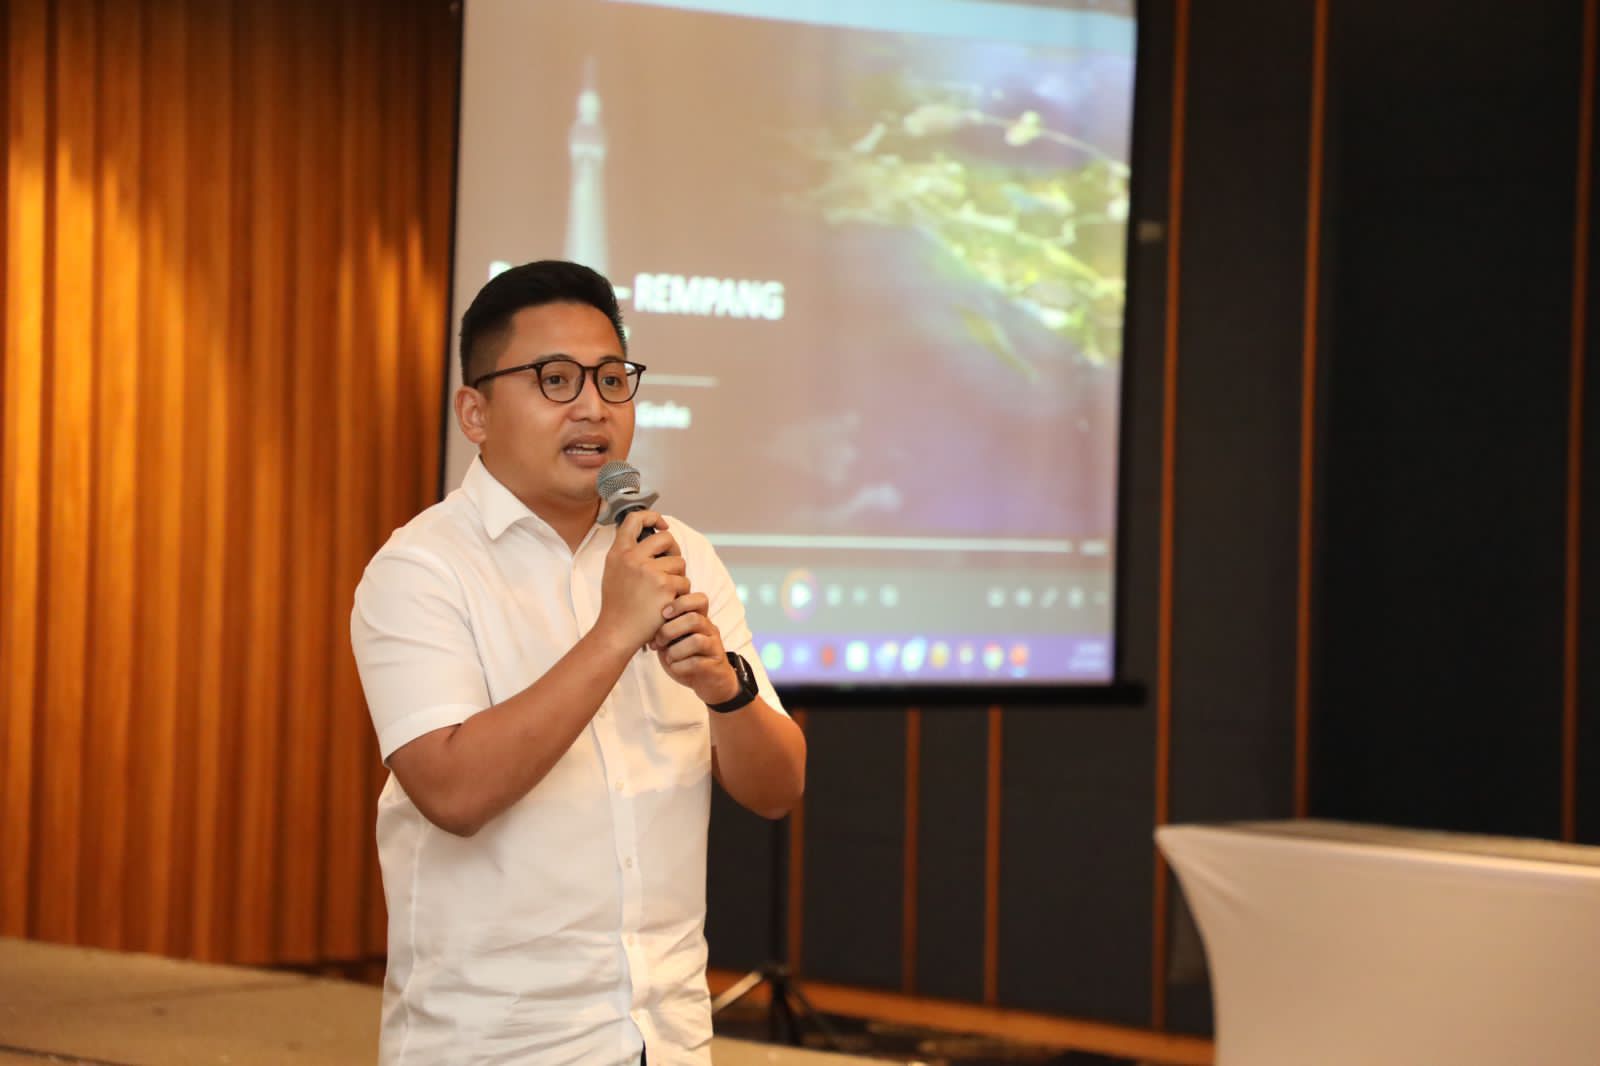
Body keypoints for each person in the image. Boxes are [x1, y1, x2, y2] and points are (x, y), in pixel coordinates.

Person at [350, 260, 806, 1065]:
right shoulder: (421, 570)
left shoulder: (682, 554)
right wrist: (614, 632)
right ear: (475, 412)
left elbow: (778, 789)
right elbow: (452, 792)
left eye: (612, 379)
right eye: (555, 380)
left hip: (666, 1038)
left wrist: (724, 692)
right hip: (497, 1046)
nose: (593, 407)